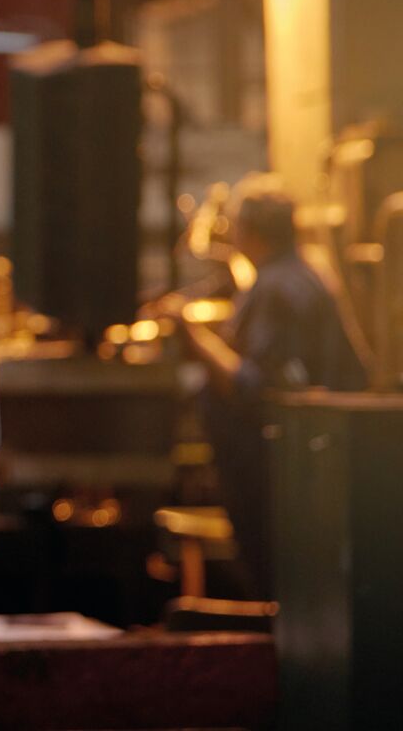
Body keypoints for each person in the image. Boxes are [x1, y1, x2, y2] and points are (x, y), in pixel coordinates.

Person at [160, 185, 370, 596]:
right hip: (314, 468)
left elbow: (253, 389)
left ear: (252, 232)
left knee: (275, 580)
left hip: (273, 473)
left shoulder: (274, 288)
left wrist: (193, 336)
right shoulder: (308, 274)